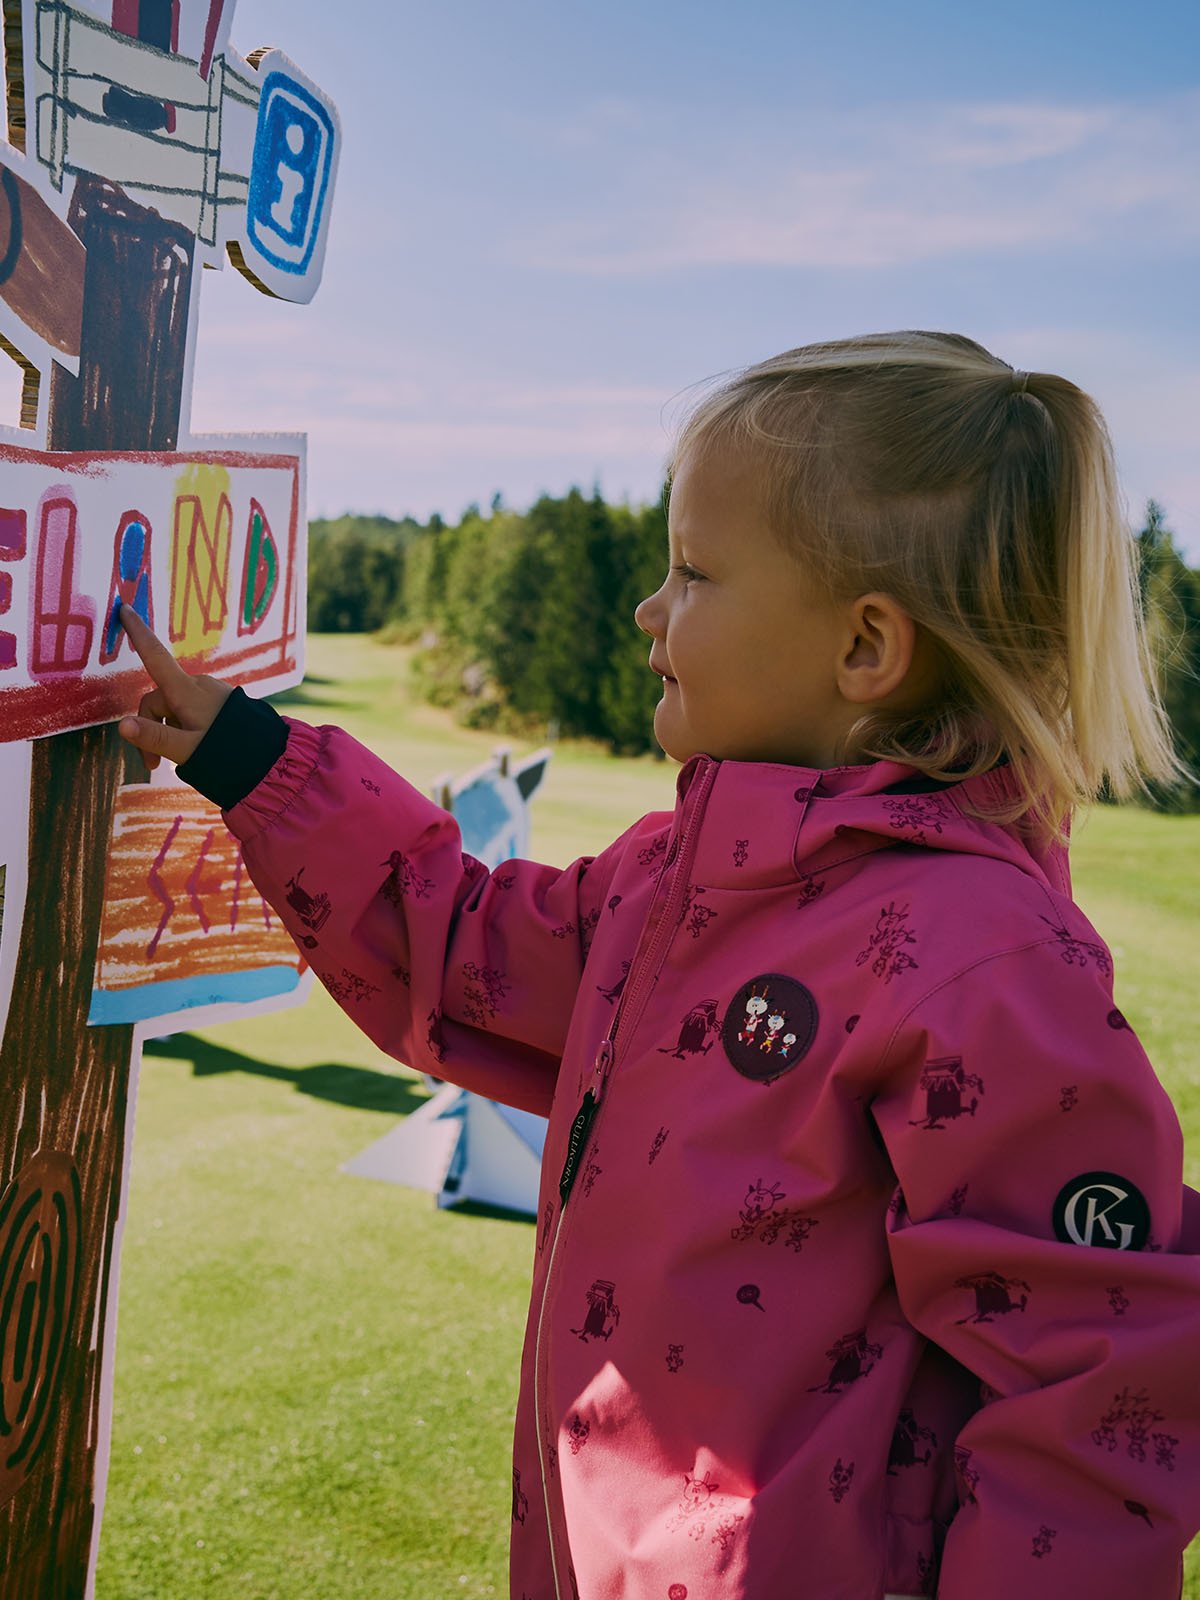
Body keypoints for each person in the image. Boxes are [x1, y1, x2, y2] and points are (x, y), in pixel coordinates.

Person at [117, 330, 1200, 1600]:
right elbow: (460, 948)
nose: (649, 608)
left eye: (691, 570)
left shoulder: (985, 963)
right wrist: (256, 760)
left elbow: (1093, 1390)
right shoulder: (669, 882)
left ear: (866, 650)